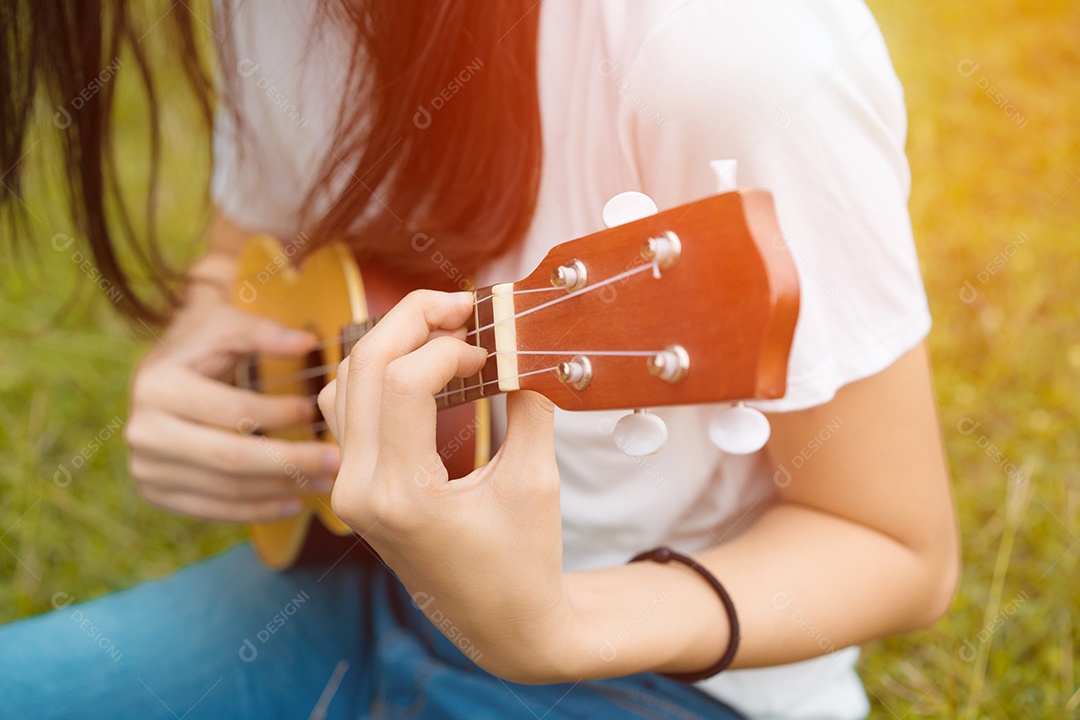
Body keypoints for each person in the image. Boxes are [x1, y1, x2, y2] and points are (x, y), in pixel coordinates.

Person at [0, 1, 959, 718]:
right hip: (344, 589)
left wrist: (557, 628)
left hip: (657, 681)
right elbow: (238, 253)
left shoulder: (724, 49)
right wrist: (198, 355)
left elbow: (896, 547)